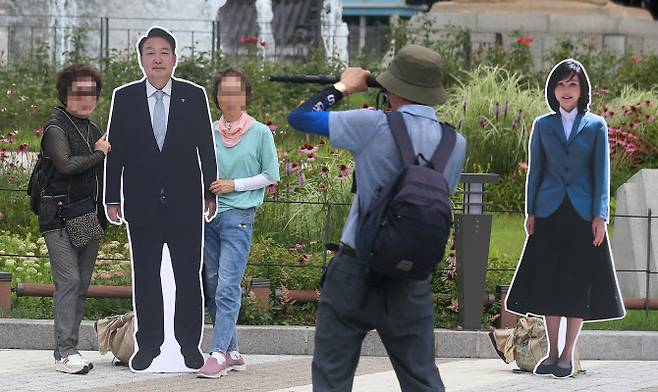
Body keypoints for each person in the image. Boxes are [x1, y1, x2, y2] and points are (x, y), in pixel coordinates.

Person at [287, 45, 467, 392]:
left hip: (355, 271)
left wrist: (342, 87)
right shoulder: (455, 143)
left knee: (332, 375)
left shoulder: (371, 124)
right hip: (411, 279)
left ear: (392, 88)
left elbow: (301, 118)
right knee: (422, 378)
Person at [103, 27, 217, 371]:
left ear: (174, 59)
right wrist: (111, 196)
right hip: (141, 202)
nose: (157, 58)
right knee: (146, 276)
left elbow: (206, 148)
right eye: (150, 52)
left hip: (186, 203)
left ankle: (188, 345)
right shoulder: (123, 98)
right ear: (141, 60)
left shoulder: (193, 95)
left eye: (164, 52)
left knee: (188, 275)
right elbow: (115, 152)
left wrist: (211, 190)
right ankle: (149, 343)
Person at [505, 59, 625, 378]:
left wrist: (601, 216)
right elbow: (536, 170)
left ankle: (567, 355)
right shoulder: (543, 125)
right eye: (560, 84)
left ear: (582, 89)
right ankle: (552, 353)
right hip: (549, 212)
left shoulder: (596, 125)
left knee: (576, 282)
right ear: (553, 89)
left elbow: (602, 174)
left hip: (583, 214)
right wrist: (531, 211)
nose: (566, 90)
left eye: (572, 84)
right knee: (550, 281)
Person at [196, 69, 280, 378]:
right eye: (223, 92)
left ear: (245, 96)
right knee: (213, 284)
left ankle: (217, 354)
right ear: (216, 96)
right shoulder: (208, 131)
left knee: (228, 285)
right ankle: (232, 351)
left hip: (239, 218)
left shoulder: (260, 133)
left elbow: (271, 175)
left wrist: (235, 185)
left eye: (236, 92)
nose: (229, 98)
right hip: (208, 215)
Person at [39, 63, 110, 374]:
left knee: (80, 284)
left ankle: (70, 348)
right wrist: (100, 154)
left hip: (85, 214)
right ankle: (64, 352)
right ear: (65, 94)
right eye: (78, 93)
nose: (86, 99)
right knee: (67, 280)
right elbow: (66, 165)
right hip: (57, 215)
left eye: (91, 93)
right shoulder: (56, 127)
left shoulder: (93, 129)